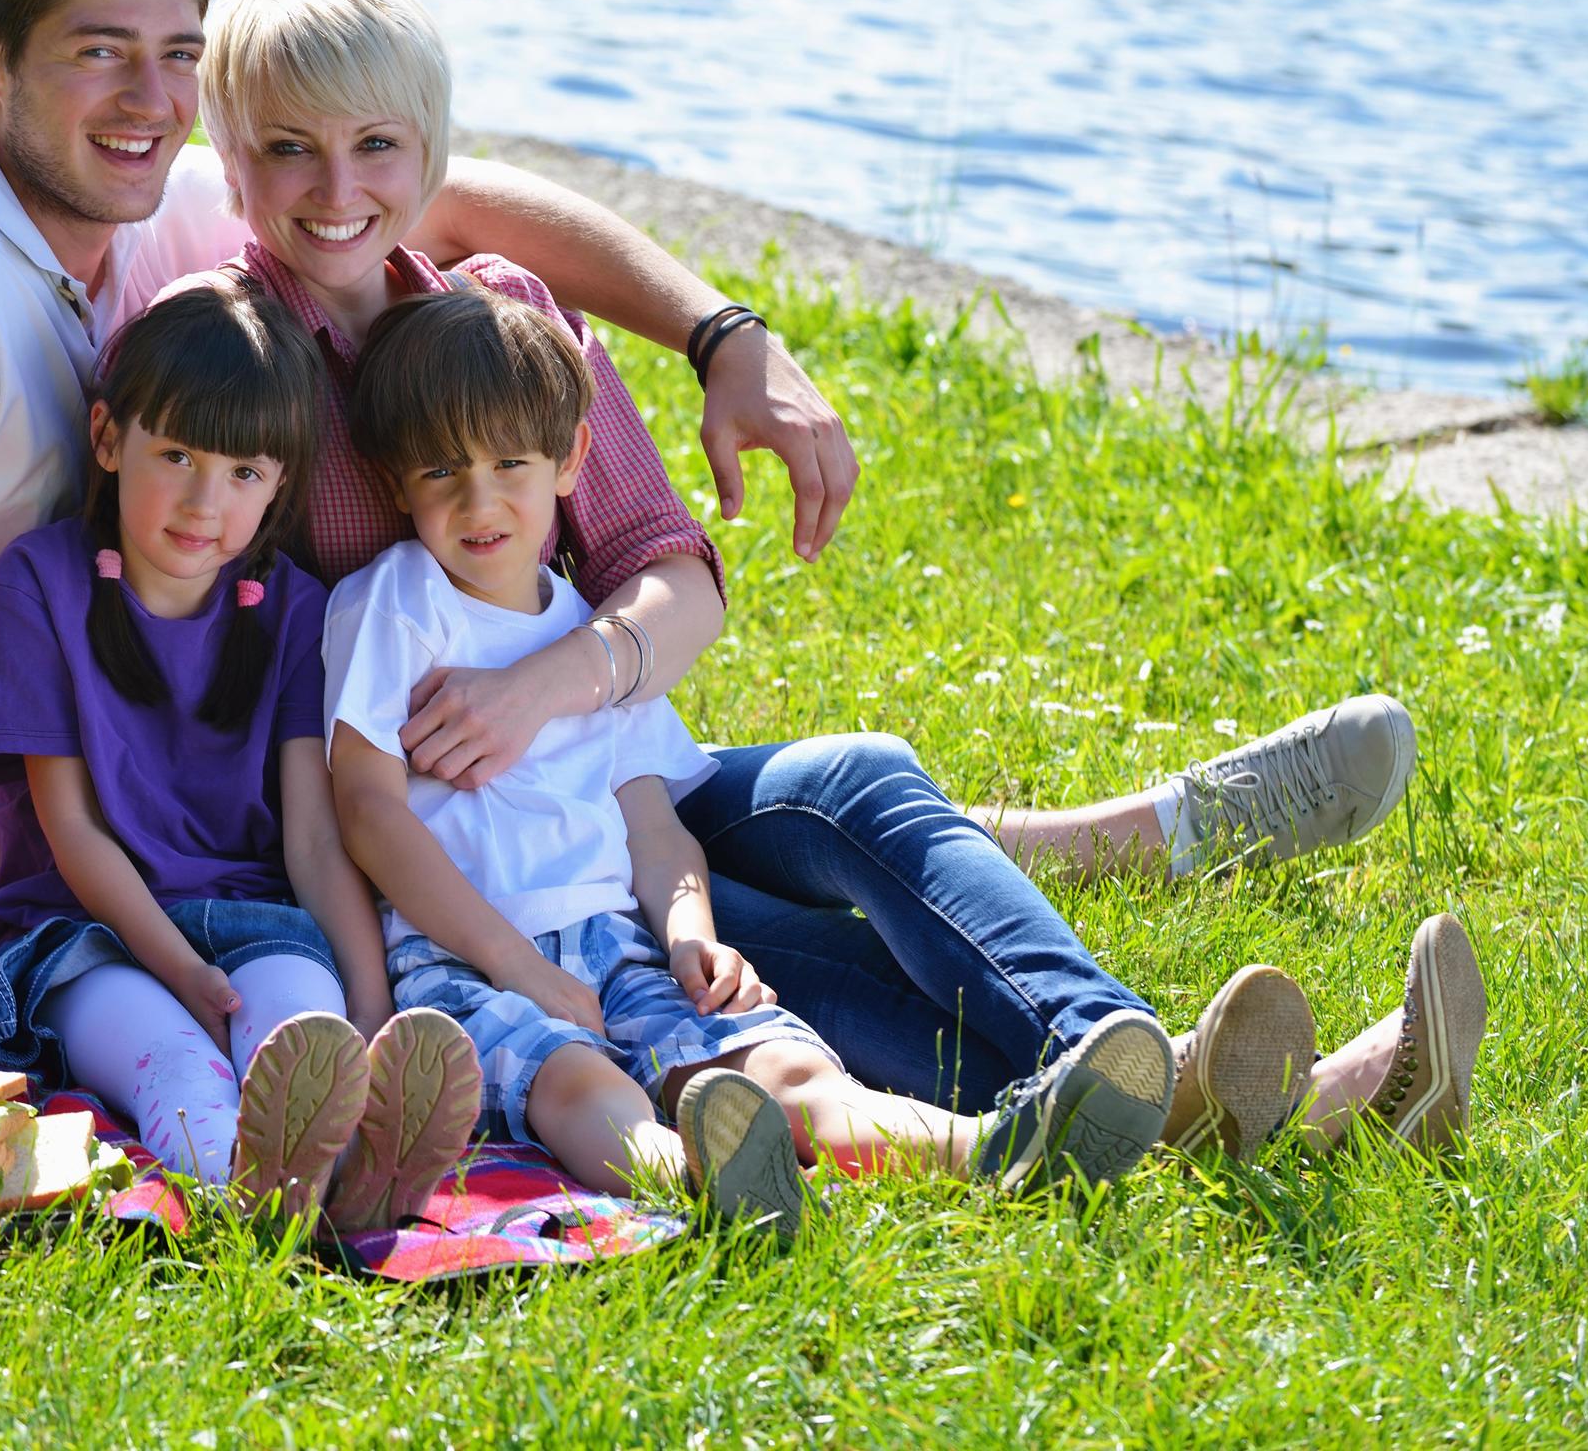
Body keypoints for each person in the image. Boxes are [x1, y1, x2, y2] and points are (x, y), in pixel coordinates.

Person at [185, 0, 1486, 1160]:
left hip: (623, 770)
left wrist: (554, 681)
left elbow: (671, 575)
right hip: (476, 857)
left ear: (427, 156)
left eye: (375, 147)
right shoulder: (233, 373)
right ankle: (1218, 1106)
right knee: (773, 964)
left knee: (858, 779)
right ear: (229, 164)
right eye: (289, 151)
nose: (337, 187)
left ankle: (1119, 1048)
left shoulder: (505, 313)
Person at [0, 0, 861, 969]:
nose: (150, 98)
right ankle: (931, 1027)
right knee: (644, 904)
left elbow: (451, 198)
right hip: (10, 869)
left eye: (179, 54)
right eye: (101, 49)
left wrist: (721, 334)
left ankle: (961, 868)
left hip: (228, 794)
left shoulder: (117, 185)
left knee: (758, 810)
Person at [326, 285, 1179, 1222]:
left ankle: (1000, 1151)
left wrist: (693, 933)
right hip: (465, 953)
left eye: (508, 464)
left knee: (785, 1063)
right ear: (395, 479)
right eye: (440, 472)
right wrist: (515, 963)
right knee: (579, 1090)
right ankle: (702, 1181)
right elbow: (368, 810)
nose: (477, 500)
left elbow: (652, 830)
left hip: (622, 942)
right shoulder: (397, 600)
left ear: (570, 460)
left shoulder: (585, 634)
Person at [0, 280, 479, 1225]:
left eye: (246, 472)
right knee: (176, 1063)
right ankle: (253, 1203)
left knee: (302, 1036)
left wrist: (371, 1008)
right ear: (109, 439)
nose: (206, 501)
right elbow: (70, 830)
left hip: (252, 921)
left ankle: (353, 1171)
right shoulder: (38, 584)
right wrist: (177, 967)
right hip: (82, 936)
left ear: (281, 483)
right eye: (177, 455)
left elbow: (316, 845)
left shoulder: (293, 613)